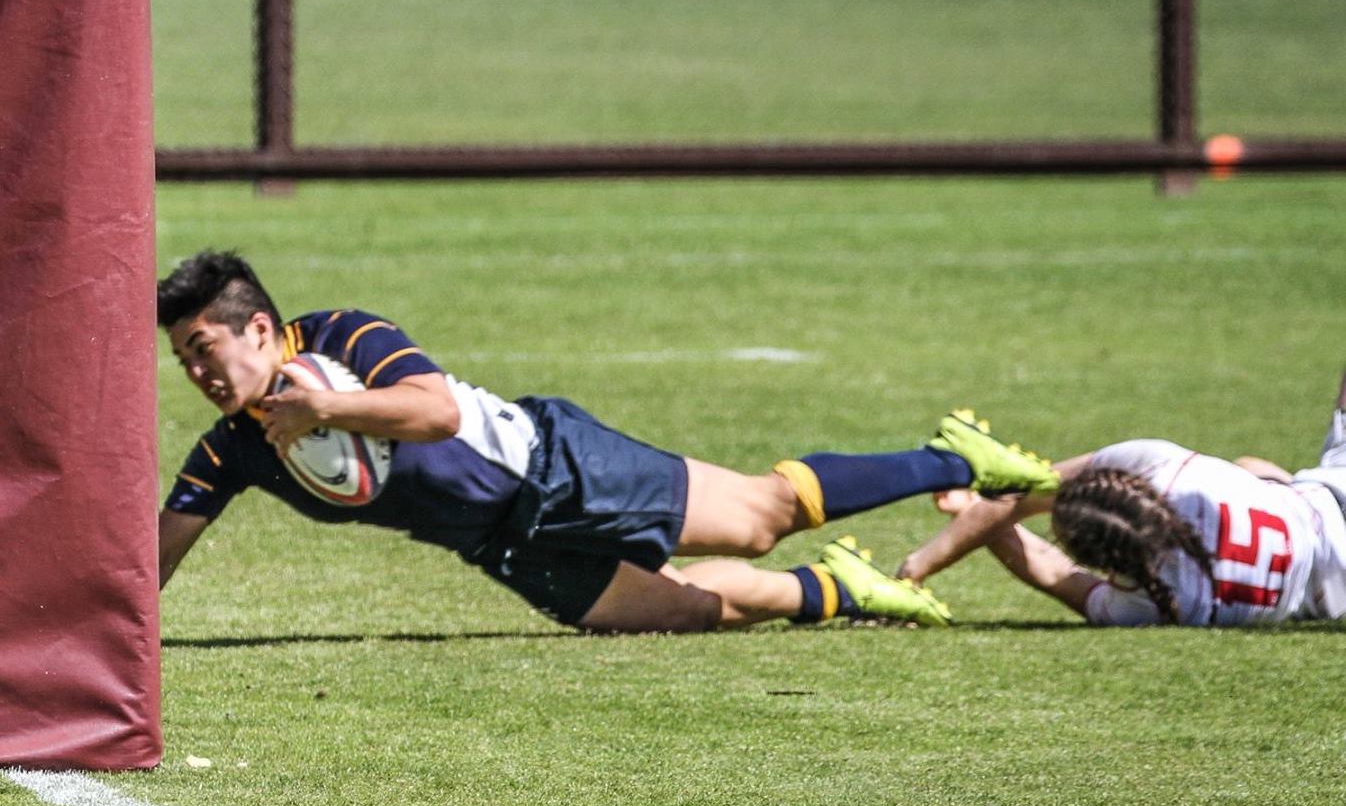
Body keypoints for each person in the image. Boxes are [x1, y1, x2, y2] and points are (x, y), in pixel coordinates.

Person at [155, 250, 1059, 633]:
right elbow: (153, 558)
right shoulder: (230, 449)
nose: (198, 371)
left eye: (206, 347)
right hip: (500, 543)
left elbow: (433, 411)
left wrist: (326, 414)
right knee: (684, 615)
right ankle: (842, 587)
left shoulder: (343, 334)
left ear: (263, 329)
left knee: (758, 517)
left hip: (555, 466)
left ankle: (956, 455)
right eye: (182, 358)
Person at [897, 372, 1346, 626]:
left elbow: (1052, 571)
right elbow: (1024, 491)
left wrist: (917, 568)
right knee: (1250, 469)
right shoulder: (1165, 468)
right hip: (1327, 497)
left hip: (1331, 585)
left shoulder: (1155, 603)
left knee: (1253, 468)